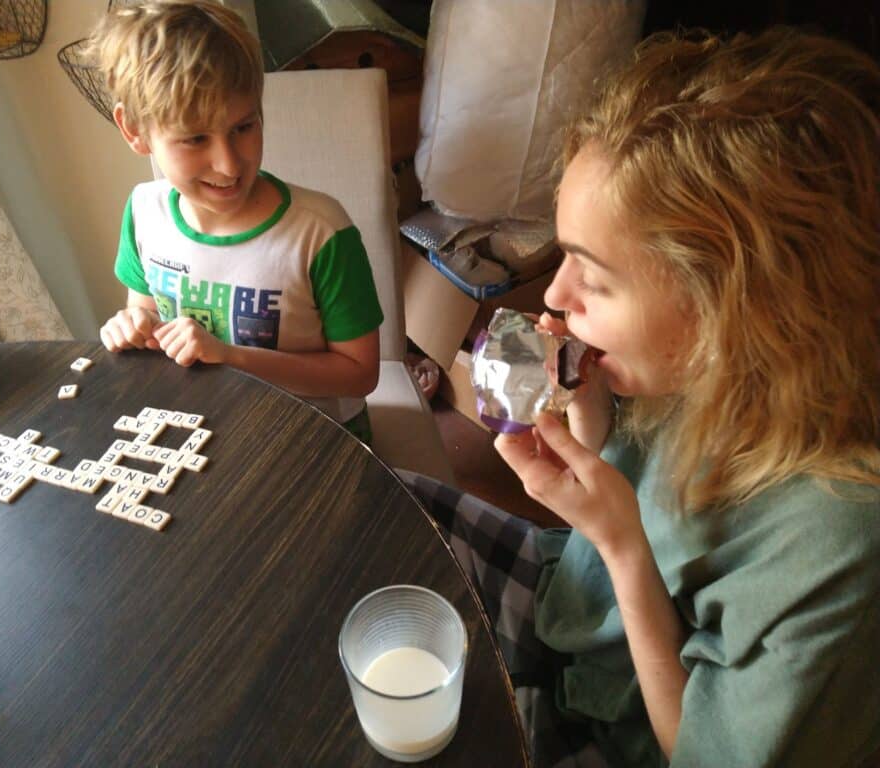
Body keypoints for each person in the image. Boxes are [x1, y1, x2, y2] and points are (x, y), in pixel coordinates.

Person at [400, 26, 880, 767]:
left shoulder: (832, 544)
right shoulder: (687, 370)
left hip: (623, 729)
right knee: (386, 502)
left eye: (592, 279)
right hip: (577, 612)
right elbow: (633, 495)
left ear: (733, 310)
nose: (554, 296)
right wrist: (591, 424)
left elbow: (704, 753)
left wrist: (622, 546)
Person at [87, 1, 383, 443]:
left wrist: (231, 357)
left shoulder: (321, 232)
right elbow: (147, 309)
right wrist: (135, 326)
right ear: (134, 130)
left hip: (319, 438)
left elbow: (359, 375)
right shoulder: (144, 213)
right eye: (195, 139)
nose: (228, 166)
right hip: (209, 428)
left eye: (244, 127)